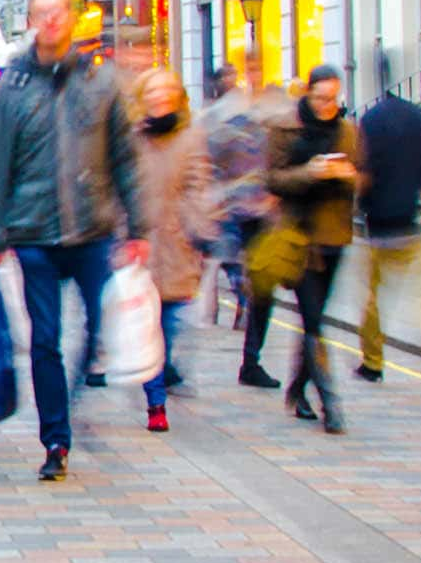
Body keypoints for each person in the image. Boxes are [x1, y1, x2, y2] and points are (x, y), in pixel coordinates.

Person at [0, 0, 149, 482]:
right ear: (31, 21)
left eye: (58, 12)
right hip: (33, 234)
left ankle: (74, 397)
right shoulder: (10, 87)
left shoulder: (100, 82)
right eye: (41, 13)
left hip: (93, 228)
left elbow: (125, 157)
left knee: (104, 325)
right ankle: (56, 438)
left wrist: (137, 226)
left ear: (72, 19)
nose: (51, 20)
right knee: (46, 339)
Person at [241, 64, 361, 435]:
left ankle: (297, 389)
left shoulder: (347, 131)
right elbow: (272, 178)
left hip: (335, 238)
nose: (328, 105)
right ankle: (332, 403)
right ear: (308, 94)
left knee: (316, 320)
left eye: (334, 98)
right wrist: (311, 172)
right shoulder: (286, 129)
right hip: (299, 239)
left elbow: (360, 177)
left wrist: (348, 176)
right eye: (321, 98)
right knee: (313, 320)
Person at [127, 69, 217, 432]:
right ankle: (156, 403)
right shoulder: (131, 139)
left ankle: (161, 372)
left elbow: (198, 186)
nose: (160, 97)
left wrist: (200, 230)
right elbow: (121, 189)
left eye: (167, 91)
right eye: (153, 91)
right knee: (149, 328)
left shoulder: (192, 137)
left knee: (170, 323)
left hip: (178, 245)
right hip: (142, 246)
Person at [356, 79, 421, 396]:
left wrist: (366, 202)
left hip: (380, 226)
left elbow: (362, 169)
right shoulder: (414, 117)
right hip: (409, 224)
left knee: (373, 301)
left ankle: (372, 363)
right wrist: (411, 189)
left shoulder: (369, 121)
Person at [202, 68, 283, 387]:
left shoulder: (276, 116)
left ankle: (251, 359)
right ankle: (249, 356)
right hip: (237, 214)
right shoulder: (227, 119)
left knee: (262, 287)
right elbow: (210, 162)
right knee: (236, 272)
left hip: (268, 215)